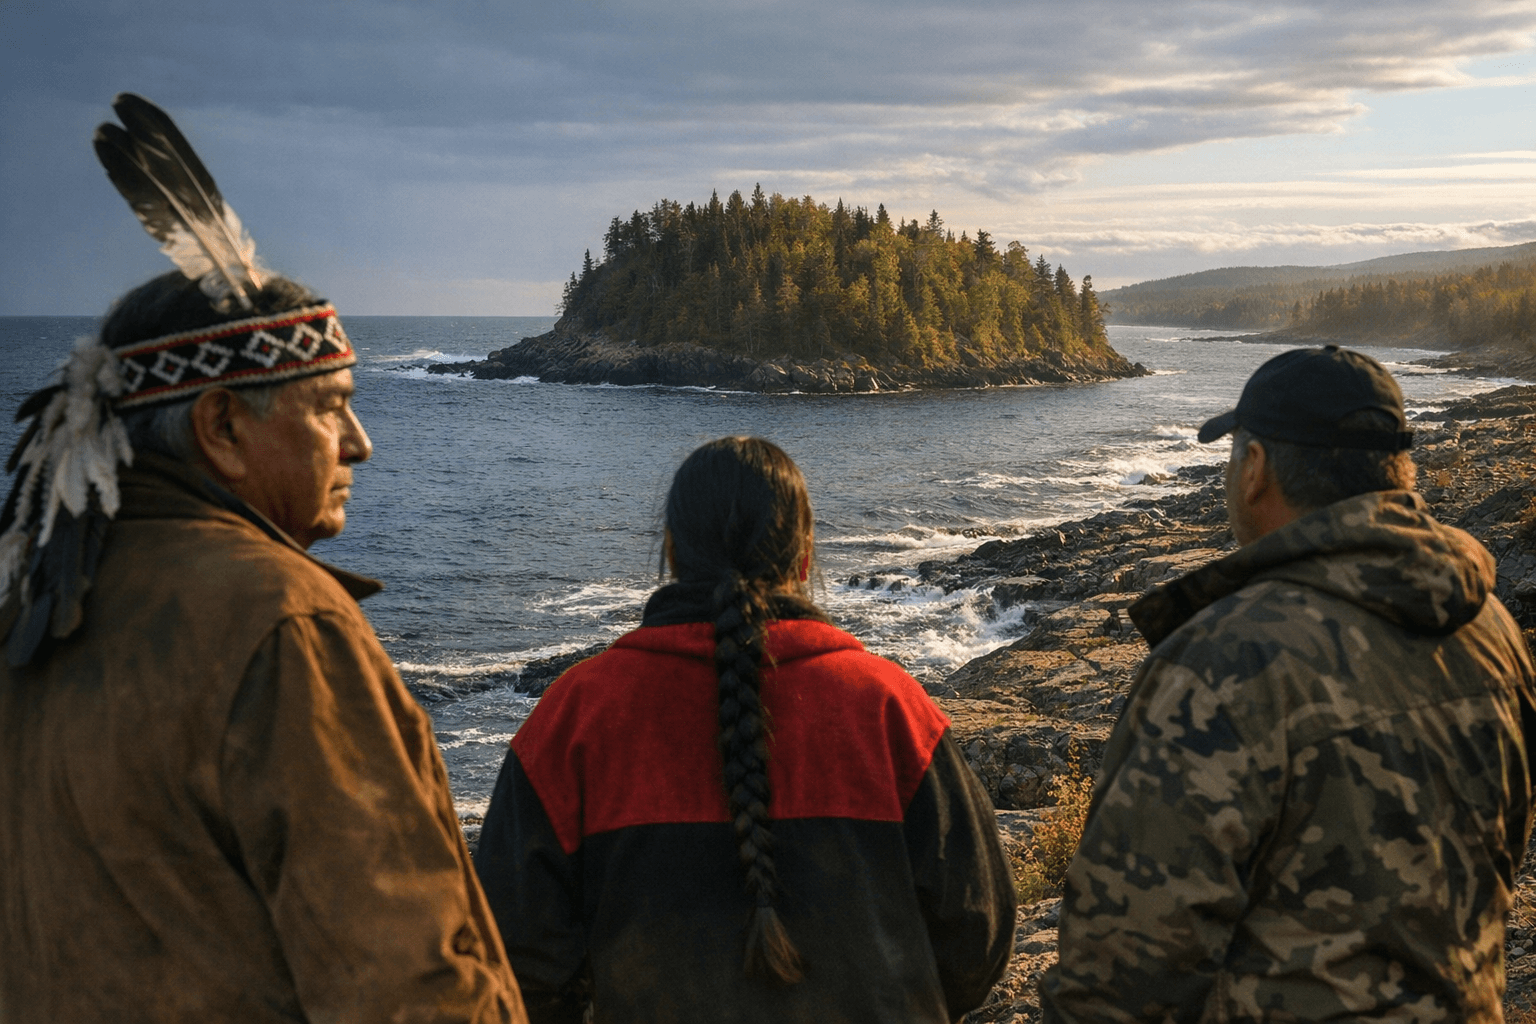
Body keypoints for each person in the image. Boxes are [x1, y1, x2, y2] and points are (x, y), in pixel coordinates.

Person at [0, 96, 526, 1022]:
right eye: (329, 408)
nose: (359, 442)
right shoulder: (282, 622)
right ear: (223, 426)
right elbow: (404, 986)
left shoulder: (36, 609)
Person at [1040, 345, 1536, 1022]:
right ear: (1395, 468)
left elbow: (1121, 972)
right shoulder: (1490, 627)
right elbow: (1502, 854)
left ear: (1254, 469)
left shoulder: (1225, 662)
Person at [475, 436, 1016, 1023]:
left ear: (673, 554)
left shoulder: (574, 718)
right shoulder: (890, 710)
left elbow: (514, 962)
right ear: (805, 559)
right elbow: (975, 939)